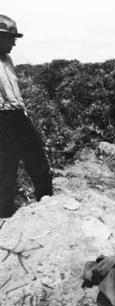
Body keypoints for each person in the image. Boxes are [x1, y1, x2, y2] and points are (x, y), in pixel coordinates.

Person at [0, 14, 52, 217]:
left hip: (18, 115)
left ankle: (48, 204)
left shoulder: (8, 60)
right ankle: (3, 217)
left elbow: (15, 91)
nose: (13, 43)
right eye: (10, 38)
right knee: (5, 167)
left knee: (37, 158)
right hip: (1, 119)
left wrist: (24, 112)